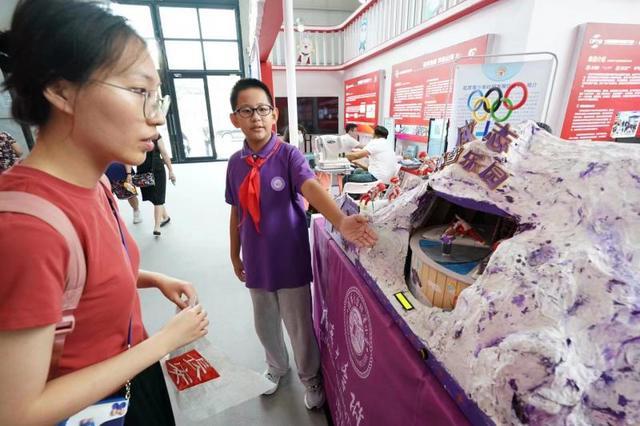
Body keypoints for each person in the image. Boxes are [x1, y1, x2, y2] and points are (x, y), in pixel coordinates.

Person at [0, 1, 208, 425]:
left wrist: (150, 278)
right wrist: (164, 342)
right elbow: (17, 412)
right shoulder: (26, 229)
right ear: (61, 91)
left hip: (131, 376)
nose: (155, 117)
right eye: (138, 91)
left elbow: (80, 281)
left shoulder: (94, 183)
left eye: (157, 96)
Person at [225, 78, 377, 411]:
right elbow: (236, 209)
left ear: (274, 114)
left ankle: (310, 378)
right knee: (264, 322)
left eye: (263, 109)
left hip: (289, 260)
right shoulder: (235, 164)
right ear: (235, 119)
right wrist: (234, 253)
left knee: (298, 325)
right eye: (247, 111)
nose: (256, 118)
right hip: (256, 260)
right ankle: (276, 368)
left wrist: (340, 220)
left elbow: (310, 186)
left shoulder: (288, 155)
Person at [136, 135, 175, 236]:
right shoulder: (136, 136)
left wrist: (171, 171)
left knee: (158, 199)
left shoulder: (156, 136)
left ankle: (156, 227)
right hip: (143, 172)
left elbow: (165, 154)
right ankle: (166, 217)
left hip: (157, 170)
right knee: (154, 198)